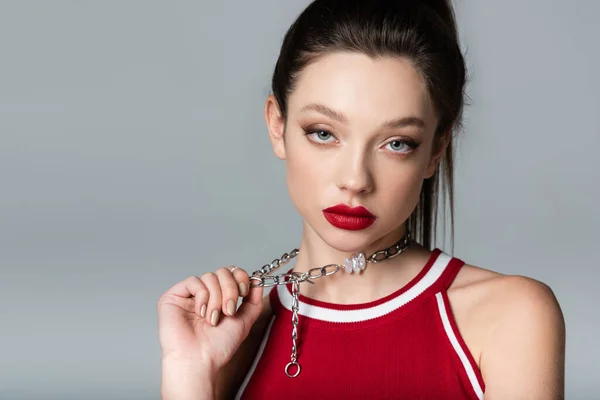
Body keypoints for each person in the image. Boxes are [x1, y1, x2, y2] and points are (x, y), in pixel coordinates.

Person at [157, 0, 566, 399]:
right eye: (323, 133)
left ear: (435, 151)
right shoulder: (233, 338)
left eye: (396, 143)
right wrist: (188, 372)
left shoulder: (509, 317)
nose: (355, 180)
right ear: (277, 126)